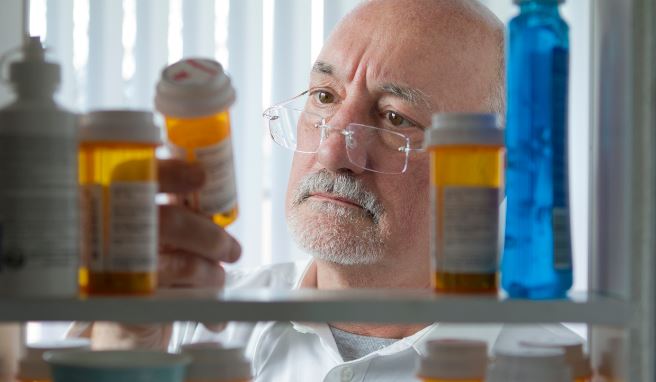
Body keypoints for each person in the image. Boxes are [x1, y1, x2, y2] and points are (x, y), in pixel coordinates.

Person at [84, 0, 579, 380]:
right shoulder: (189, 326)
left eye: (393, 118)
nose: (332, 153)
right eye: (325, 97)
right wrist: (122, 352)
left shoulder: (556, 368)